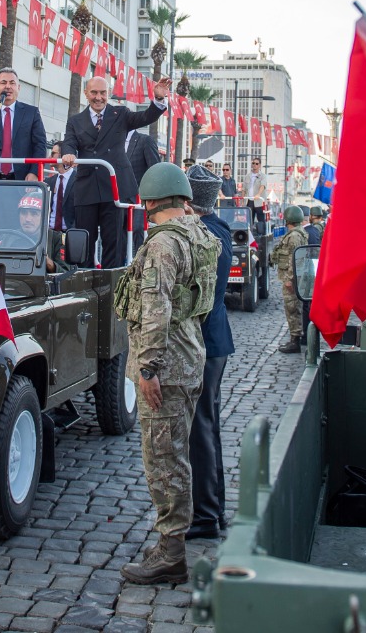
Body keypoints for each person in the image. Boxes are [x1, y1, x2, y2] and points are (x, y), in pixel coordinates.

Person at [118, 163, 219, 585]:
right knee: (177, 454)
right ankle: (173, 540)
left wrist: (147, 368)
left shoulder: (162, 246)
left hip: (167, 366)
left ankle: (170, 552)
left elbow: (156, 310)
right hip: (191, 354)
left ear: (151, 201)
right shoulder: (202, 235)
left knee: (164, 460)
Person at [59, 75, 171, 268]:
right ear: (86, 93)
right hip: (88, 187)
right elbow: (69, 142)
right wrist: (68, 154)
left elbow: (145, 117)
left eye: (102, 93)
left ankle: (110, 287)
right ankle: (84, 284)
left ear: (108, 94)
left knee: (114, 241)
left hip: (115, 187)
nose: (98, 97)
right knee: (85, 240)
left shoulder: (120, 114)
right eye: (94, 92)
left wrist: (158, 99)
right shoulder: (75, 121)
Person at [185, 165, 234, 541]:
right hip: (213, 340)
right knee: (208, 424)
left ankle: (205, 515)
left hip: (205, 341)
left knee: (201, 427)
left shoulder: (204, 234)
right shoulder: (217, 229)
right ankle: (213, 509)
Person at [271, 206, 311, 353]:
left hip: (292, 280)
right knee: (292, 309)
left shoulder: (294, 236)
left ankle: (295, 341)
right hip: (293, 279)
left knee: (293, 309)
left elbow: (296, 259)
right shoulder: (298, 233)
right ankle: (294, 338)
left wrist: (290, 279)